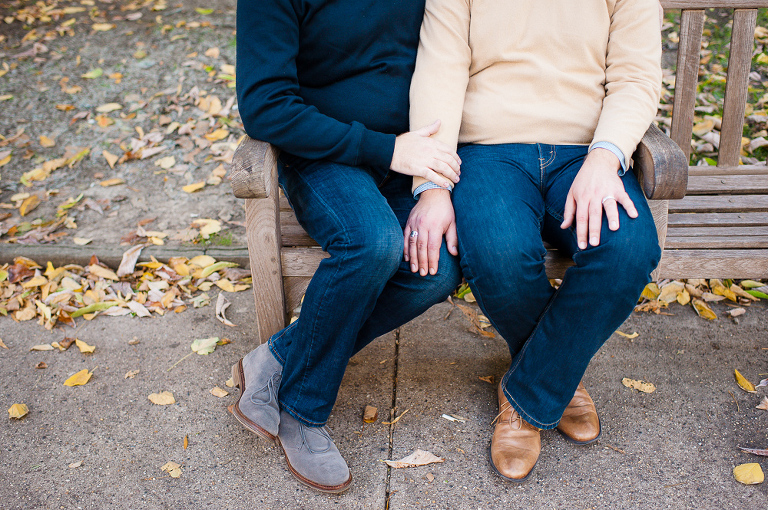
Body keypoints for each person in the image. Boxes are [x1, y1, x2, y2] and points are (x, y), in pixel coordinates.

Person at [405, 0, 663, 482]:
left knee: (628, 250)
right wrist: (433, 185)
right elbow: (440, 73)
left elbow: (636, 78)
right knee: (498, 252)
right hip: (487, 151)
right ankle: (559, 379)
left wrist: (605, 159)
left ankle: (527, 397)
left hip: (587, 151)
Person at [231, 0, 463, 494]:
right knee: (372, 243)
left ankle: (275, 358)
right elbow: (264, 106)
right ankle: (301, 407)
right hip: (325, 153)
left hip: (410, 152)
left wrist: (422, 165)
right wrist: (386, 149)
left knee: (437, 268)